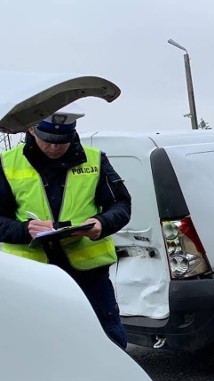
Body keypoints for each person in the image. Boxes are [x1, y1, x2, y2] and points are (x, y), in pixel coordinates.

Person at [0, 103, 131, 348]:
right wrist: (24, 229)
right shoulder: (7, 163)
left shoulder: (95, 159)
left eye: (63, 139)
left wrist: (101, 223)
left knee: (108, 338)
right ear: (31, 129)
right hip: (32, 277)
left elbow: (122, 205)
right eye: (48, 138)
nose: (55, 146)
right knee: (40, 345)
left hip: (89, 275)